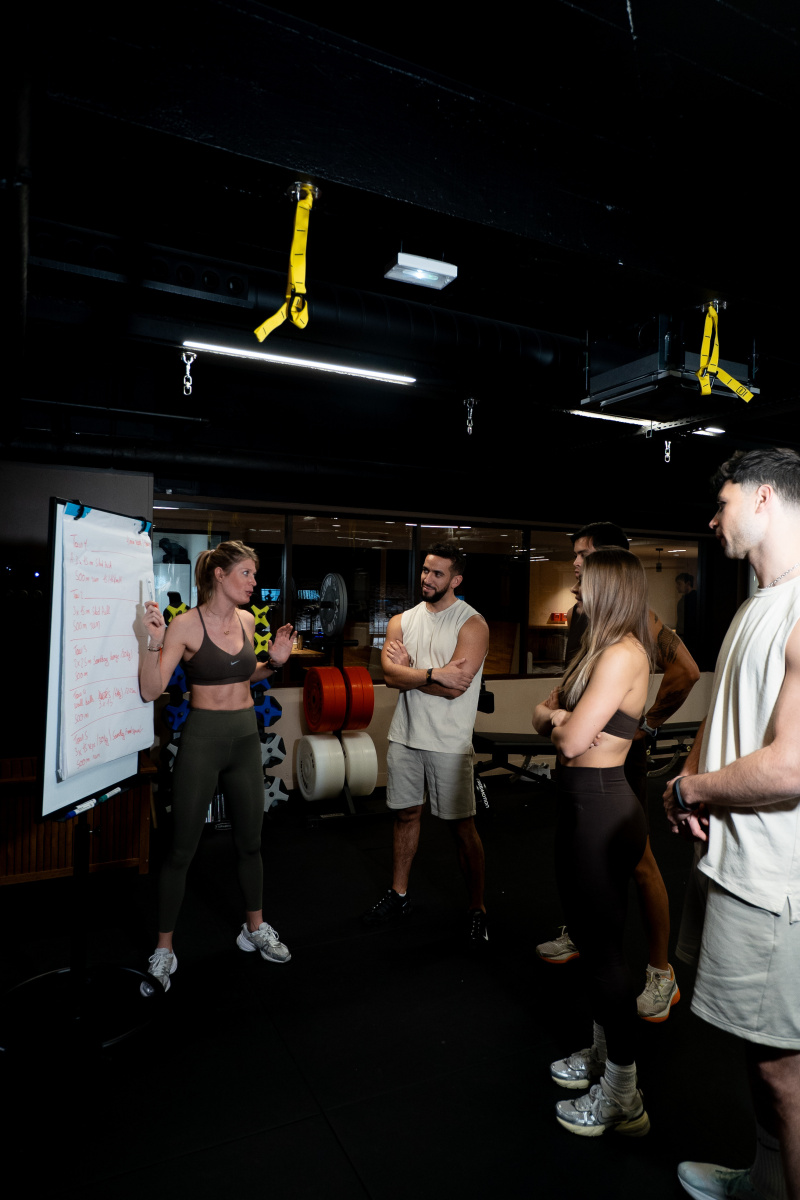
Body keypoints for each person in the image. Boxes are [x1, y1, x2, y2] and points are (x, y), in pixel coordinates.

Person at [664, 449, 800, 1200]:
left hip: (778, 883)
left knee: (786, 1071)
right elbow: (724, 716)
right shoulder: (755, 604)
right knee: (757, 1048)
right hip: (730, 865)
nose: (714, 520)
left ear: (765, 497)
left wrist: (692, 787)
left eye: (723, 502)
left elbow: (790, 767)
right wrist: (689, 783)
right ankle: (765, 1181)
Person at [536, 520, 700, 1023]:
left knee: (640, 863)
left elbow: (687, 671)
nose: (576, 566)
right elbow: (557, 705)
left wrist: (646, 725)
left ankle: (660, 971)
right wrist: (560, 717)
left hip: (616, 765)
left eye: (585, 556)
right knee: (589, 870)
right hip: (579, 767)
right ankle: (584, 929)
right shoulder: (583, 619)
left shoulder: (639, 623)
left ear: (611, 565)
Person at [532, 548, 653, 1136]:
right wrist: (561, 719)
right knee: (591, 942)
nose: (576, 591)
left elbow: (567, 739)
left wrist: (562, 723)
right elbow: (545, 715)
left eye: (584, 582)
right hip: (583, 806)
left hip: (603, 808)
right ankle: (605, 1059)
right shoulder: (596, 651)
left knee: (604, 954)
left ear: (609, 588)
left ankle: (623, 1095)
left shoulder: (623, 654)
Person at [139, 539, 296, 991]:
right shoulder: (185, 625)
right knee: (181, 851)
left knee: (250, 843)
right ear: (219, 575)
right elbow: (151, 689)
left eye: (254, 574)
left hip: (245, 739)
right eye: (246, 573)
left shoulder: (246, 620)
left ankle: (254, 929)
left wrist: (274, 663)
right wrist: (152, 642)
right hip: (202, 741)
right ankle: (164, 949)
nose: (253, 582)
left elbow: (244, 675)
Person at [364, 543, 490, 942]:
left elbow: (456, 689)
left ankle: (477, 906)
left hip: (449, 742)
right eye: (425, 570)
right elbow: (389, 677)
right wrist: (434, 673)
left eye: (437, 573)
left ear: (456, 580)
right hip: (405, 735)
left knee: (461, 827)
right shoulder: (401, 621)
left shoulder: (472, 624)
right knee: (405, 815)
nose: (427, 578)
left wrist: (412, 673)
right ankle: (399, 894)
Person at [675, 572, 699, 660]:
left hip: (689, 637)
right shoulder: (684, 599)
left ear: (688, 584)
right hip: (682, 635)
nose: (677, 586)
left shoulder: (693, 599)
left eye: (679, 584)